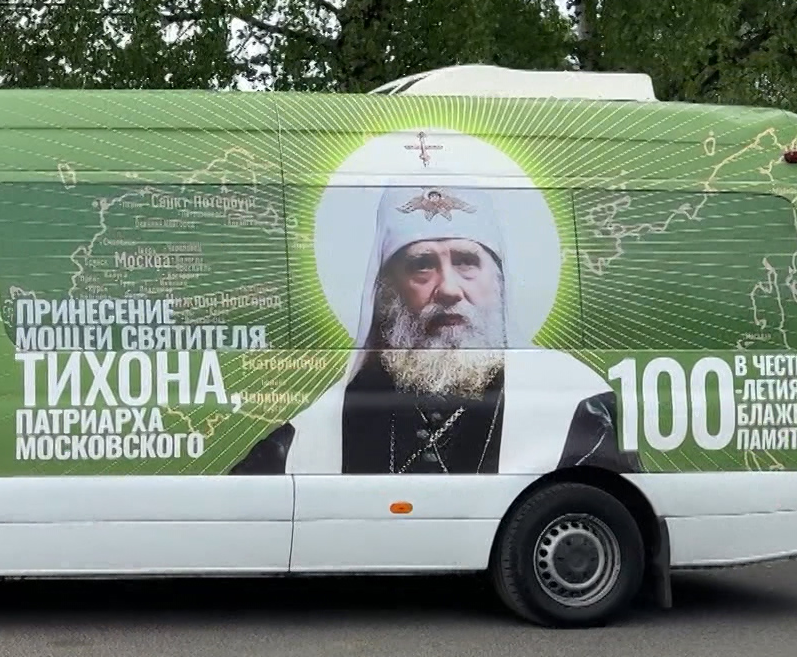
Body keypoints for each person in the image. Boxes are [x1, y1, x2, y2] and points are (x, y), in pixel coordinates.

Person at [233, 182, 639, 477]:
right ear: (387, 291)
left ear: (499, 282)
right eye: (422, 265)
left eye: (466, 261)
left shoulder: (576, 403)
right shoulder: (318, 428)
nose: (448, 289)